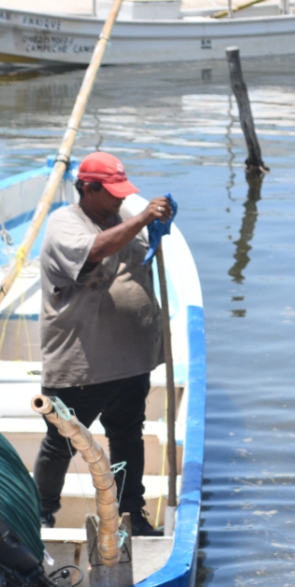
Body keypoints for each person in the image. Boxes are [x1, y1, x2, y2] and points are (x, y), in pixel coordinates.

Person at [34, 152, 173, 536]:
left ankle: (131, 514)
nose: (119, 201)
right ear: (87, 189)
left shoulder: (124, 222)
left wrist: (153, 227)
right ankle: (40, 514)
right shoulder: (65, 224)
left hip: (130, 362)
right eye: (110, 194)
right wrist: (142, 218)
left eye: (122, 194)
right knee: (61, 442)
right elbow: (93, 252)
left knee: (127, 438)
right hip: (81, 365)